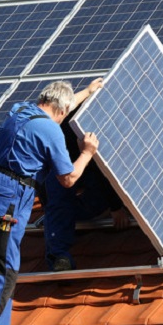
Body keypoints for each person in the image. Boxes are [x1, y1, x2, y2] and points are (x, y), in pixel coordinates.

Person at [0, 78, 103, 325]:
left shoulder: (20, 111)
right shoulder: (51, 131)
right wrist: (87, 153)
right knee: (1, 267)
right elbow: (68, 178)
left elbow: (61, 105)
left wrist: (87, 92)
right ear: (62, 112)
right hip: (6, 200)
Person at [39, 106, 131, 271]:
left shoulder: (94, 120)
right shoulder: (51, 134)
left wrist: (116, 205)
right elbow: (43, 180)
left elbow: (101, 166)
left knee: (87, 198)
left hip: (91, 168)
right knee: (56, 198)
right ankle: (60, 256)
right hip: (67, 169)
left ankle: (70, 217)